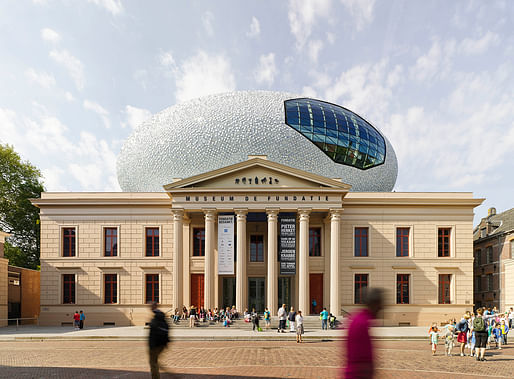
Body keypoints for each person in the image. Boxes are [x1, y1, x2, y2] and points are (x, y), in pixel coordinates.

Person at [342, 287, 384, 378]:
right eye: (379, 304)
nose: (381, 308)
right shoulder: (361, 322)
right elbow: (359, 360)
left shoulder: (362, 320)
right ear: (373, 304)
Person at [148, 302, 169, 379]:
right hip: (159, 343)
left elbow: (156, 331)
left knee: (153, 363)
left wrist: (153, 344)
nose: (150, 307)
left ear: (154, 306)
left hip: (156, 344)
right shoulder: (160, 315)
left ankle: (155, 377)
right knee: (154, 361)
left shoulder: (157, 316)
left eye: (151, 306)